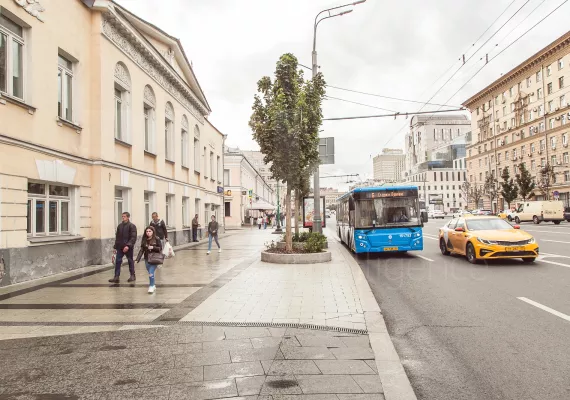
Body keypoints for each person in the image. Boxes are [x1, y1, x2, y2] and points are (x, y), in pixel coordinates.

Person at [109, 212, 137, 283]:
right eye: (122, 216)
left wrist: (128, 245)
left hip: (128, 247)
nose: (123, 217)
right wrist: (115, 247)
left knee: (130, 261)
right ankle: (116, 276)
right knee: (118, 261)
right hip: (120, 247)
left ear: (128, 217)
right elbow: (117, 237)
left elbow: (133, 237)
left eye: (124, 216)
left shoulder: (132, 226)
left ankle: (132, 275)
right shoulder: (120, 226)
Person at [135, 226, 163, 294]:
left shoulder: (157, 238)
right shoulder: (144, 239)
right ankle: (153, 285)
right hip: (147, 259)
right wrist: (137, 259)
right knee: (150, 273)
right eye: (147, 231)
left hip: (154, 258)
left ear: (153, 232)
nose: (148, 233)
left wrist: (153, 247)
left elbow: (160, 248)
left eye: (150, 231)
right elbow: (142, 250)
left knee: (150, 273)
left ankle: (151, 287)